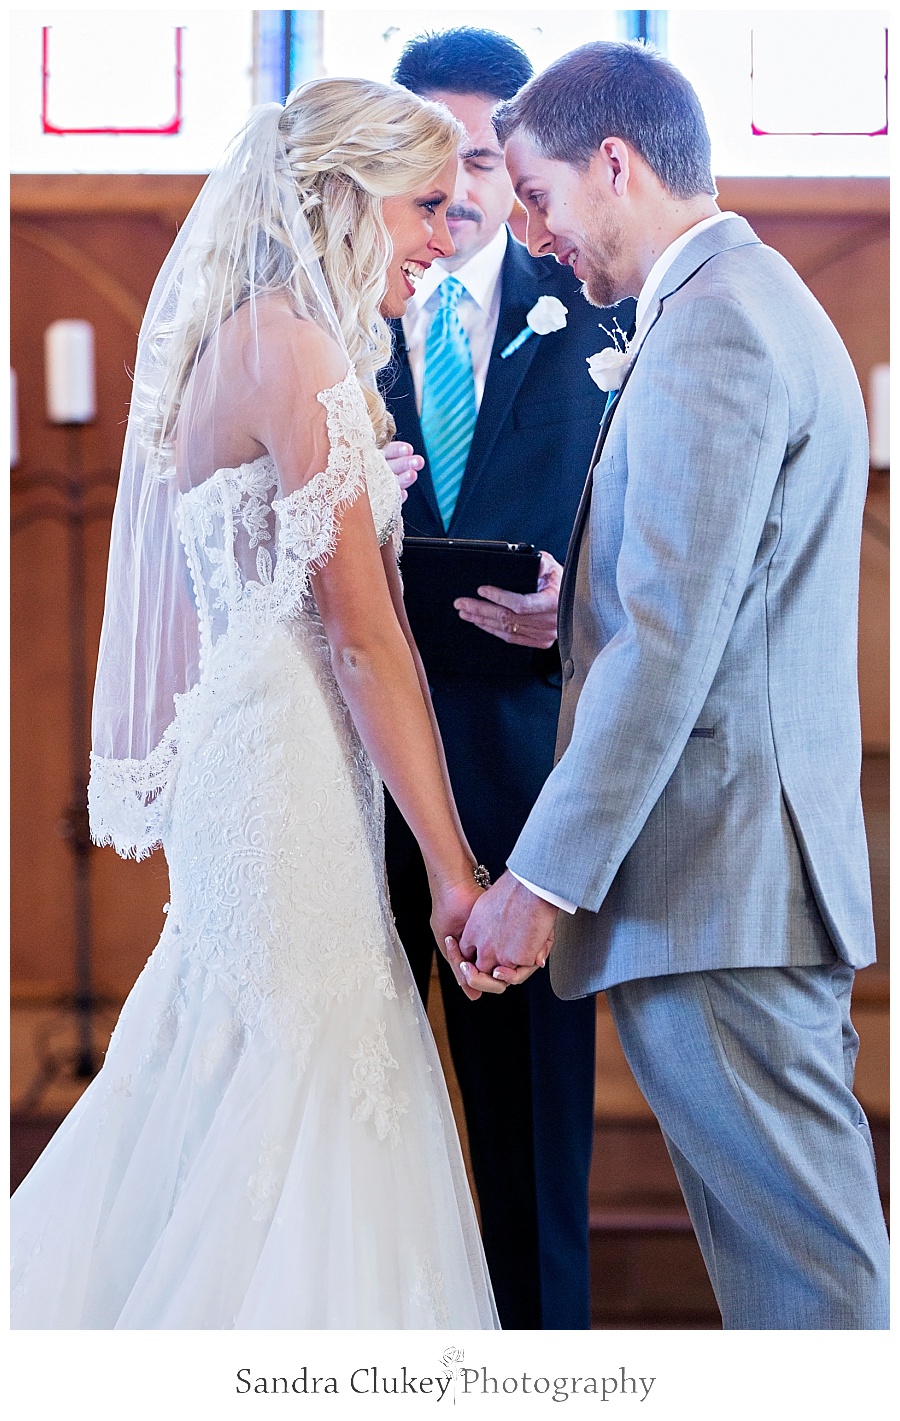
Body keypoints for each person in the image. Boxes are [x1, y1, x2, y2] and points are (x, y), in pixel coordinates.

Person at [10, 78, 502, 1330]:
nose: (445, 238)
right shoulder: (308, 351)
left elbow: (262, 563)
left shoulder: (237, 335)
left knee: (232, 1051)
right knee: (313, 1053)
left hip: (252, 748)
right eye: (426, 207)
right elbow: (362, 637)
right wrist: (454, 867)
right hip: (290, 766)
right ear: (345, 194)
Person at [460, 40, 890, 1329]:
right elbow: (704, 602)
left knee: (807, 1280)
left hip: (720, 881)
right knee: (789, 1271)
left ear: (614, 161)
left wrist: (538, 881)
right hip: (734, 878)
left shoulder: (714, 328)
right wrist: (573, 613)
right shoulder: (747, 301)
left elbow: (669, 644)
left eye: (534, 192)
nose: (529, 234)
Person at [382, 27, 635, 1330]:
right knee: (352, 1147)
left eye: (482, 155)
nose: (460, 188)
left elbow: (662, 552)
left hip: (527, 792)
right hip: (354, 787)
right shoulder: (337, 313)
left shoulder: (603, 310)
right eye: (432, 155)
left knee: (531, 1166)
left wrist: (573, 611)